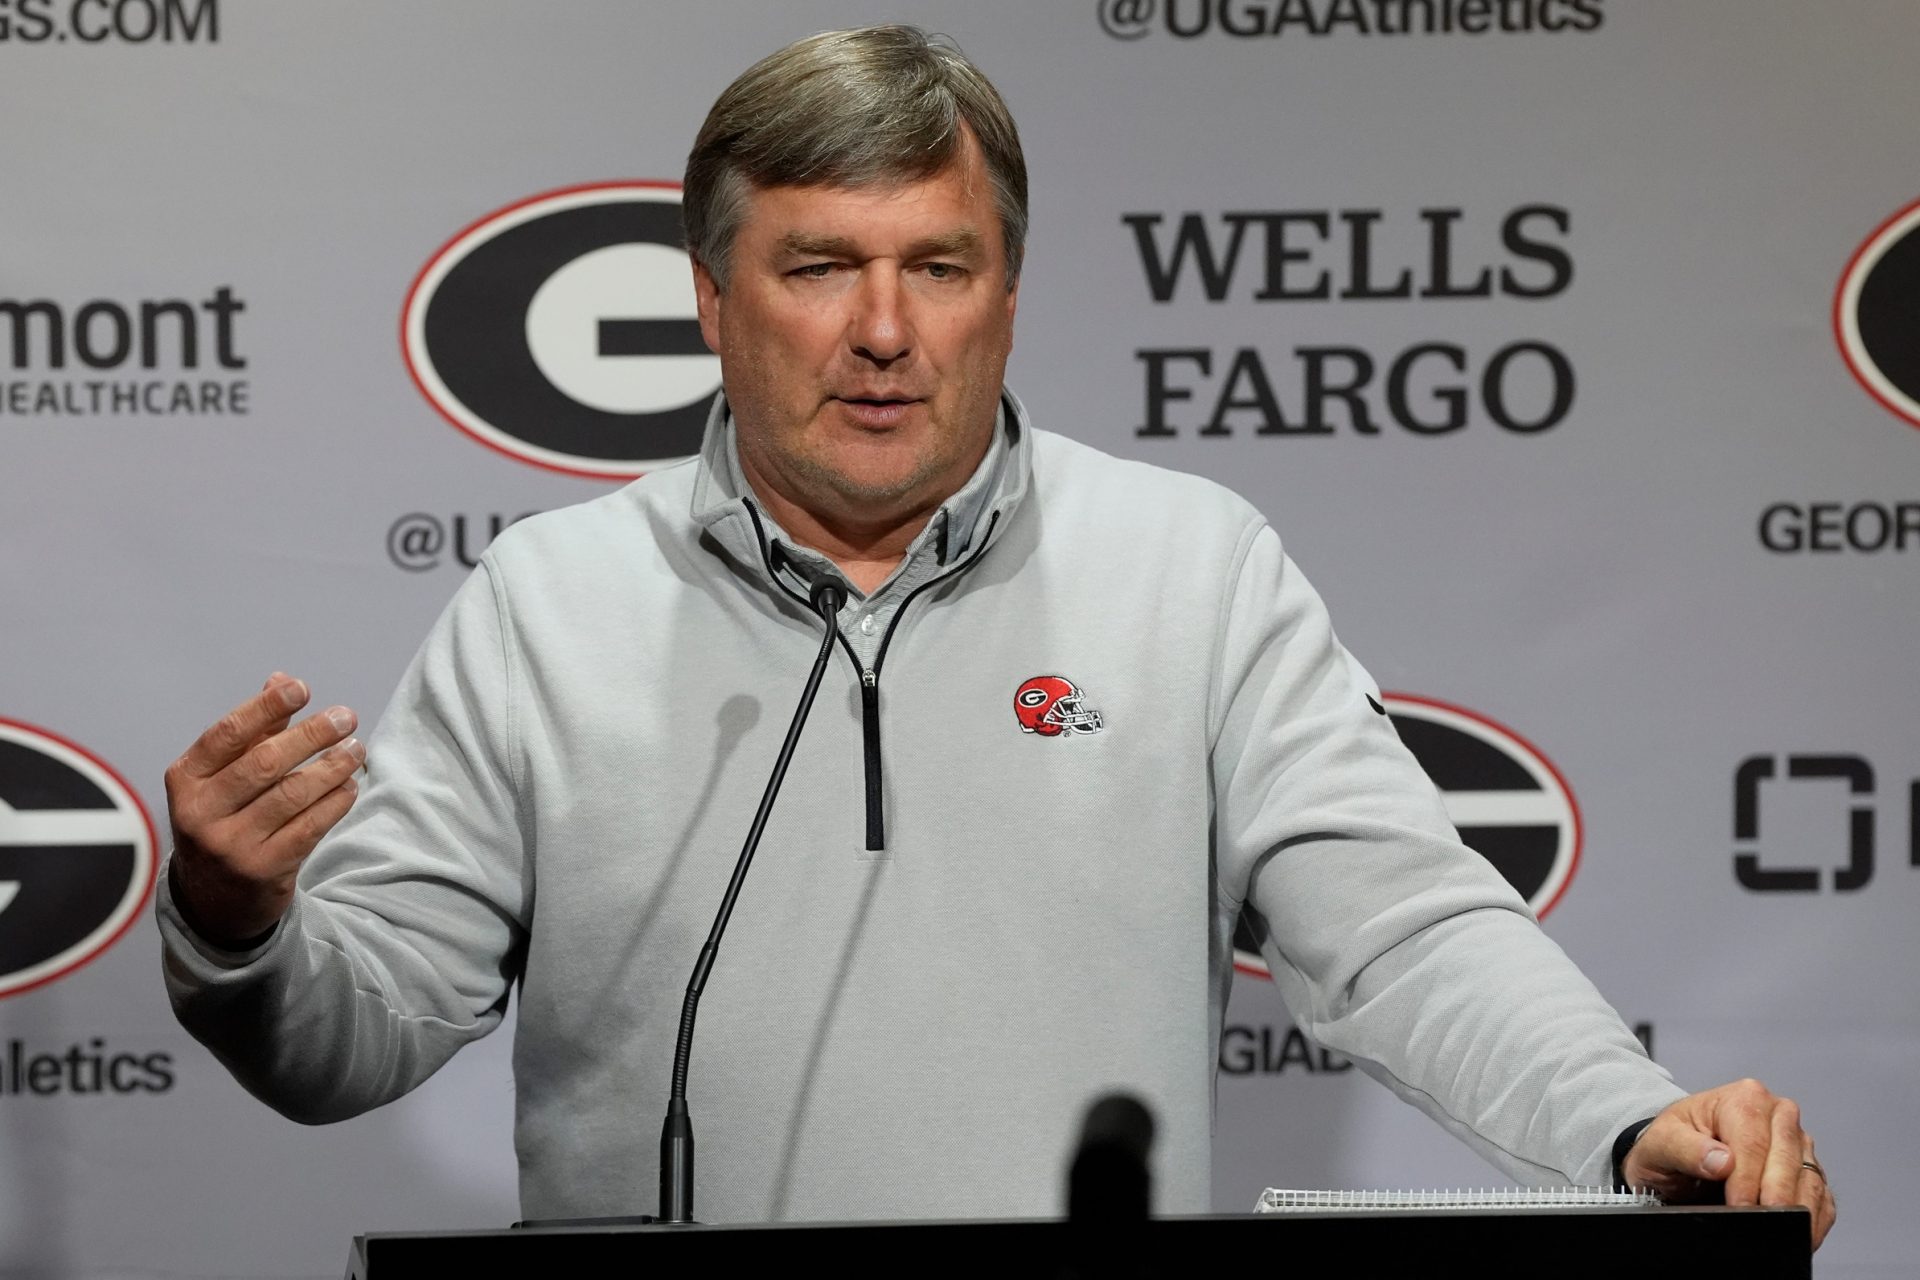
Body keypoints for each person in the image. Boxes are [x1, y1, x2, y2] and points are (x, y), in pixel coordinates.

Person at [159, 25, 1834, 1243]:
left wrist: (1623, 1122)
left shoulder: (1192, 566)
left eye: (939, 267)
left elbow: (1405, 932)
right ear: (710, 298)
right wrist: (237, 923)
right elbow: (343, 1038)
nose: (884, 334)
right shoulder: (547, 601)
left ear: (1009, 296)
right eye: (821, 266)